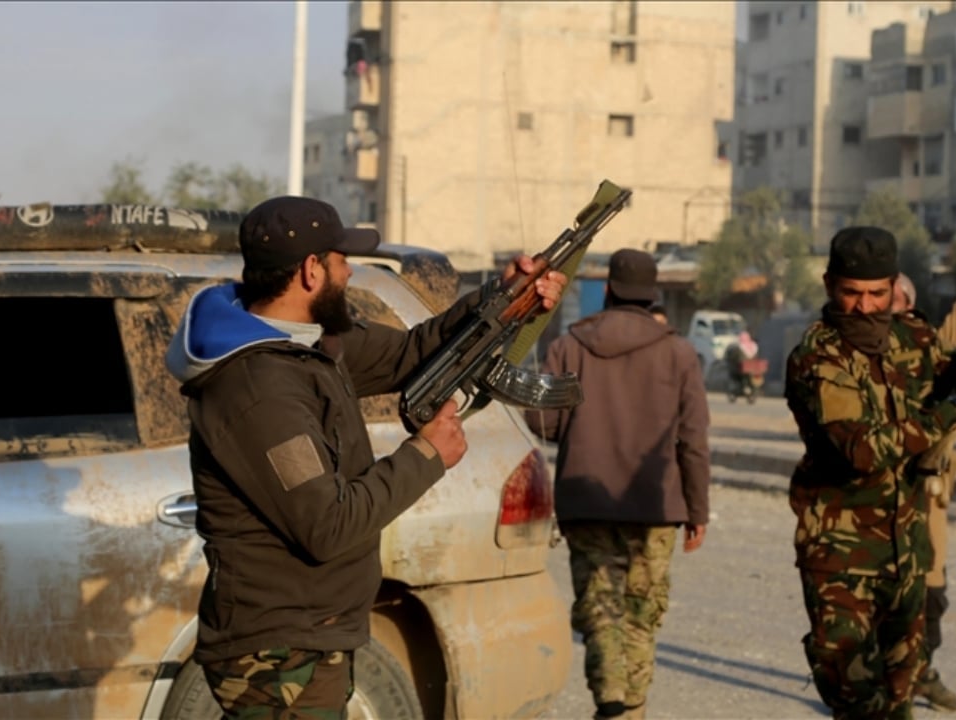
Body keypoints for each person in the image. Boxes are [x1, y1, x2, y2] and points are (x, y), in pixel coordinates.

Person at [164, 195, 567, 718]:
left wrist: (504, 297)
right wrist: (426, 454)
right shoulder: (259, 391)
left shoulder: (305, 342)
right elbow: (327, 523)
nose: (350, 271)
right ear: (311, 271)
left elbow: (411, 352)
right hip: (279, 656)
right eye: (341, 259)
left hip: (308, 635)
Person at [783, 224, 956, 720]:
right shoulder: (816, 358)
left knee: (901, 701)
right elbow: (862, 451)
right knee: (860, 705)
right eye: (852, 294)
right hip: (842, 562)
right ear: (828, 286)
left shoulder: (915, 338)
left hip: (907, 553)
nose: (864, 307)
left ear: (893, 290)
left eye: (876, 294)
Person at [525, 249, 710, 720]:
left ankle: (611, 699)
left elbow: (542, 420)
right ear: (653, 296)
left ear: (607, 291)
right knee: (642, 612)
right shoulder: (680, 353)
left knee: (599, 608)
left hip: (586, 502)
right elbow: (693, 439)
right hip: (656, 507)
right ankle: (630, 707)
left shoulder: (569, 347)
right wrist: (698, 510)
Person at [891, 189, 956, 713]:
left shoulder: (932, 346)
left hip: (928, 489)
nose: (893, 313)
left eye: (900, 304)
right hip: (880, 492)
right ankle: (885, 683)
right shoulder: (855, 356)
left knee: (932, 590)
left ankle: (922, 672)